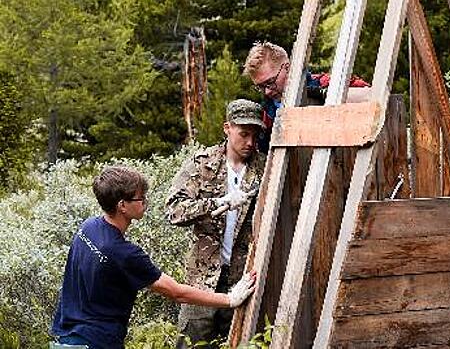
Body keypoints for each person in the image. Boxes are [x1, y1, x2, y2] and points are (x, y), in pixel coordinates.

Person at [50, 166, 256, 349]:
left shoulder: (88, 227)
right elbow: (176, 292)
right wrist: (229, 299)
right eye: (140, 198)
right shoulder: (124, 253)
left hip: (66, 337)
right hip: (97, 342)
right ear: (122, 205)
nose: (145, 202)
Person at [165, 99, 266, 347]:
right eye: (244, 134)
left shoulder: (264, 167)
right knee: (191, 343)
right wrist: (217, 203)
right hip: (202, 280)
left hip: (243, 280)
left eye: (254, 135)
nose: (250, 142)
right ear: (227, 128)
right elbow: (173, 210)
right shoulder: (203, 164)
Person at [243, 41, 371, 153]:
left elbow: (370, 95)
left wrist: (324, 95)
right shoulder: (266, 116)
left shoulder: (325, 83)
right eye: (260, 87)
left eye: (270, 82)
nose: (267, 92)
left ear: (287, 68)